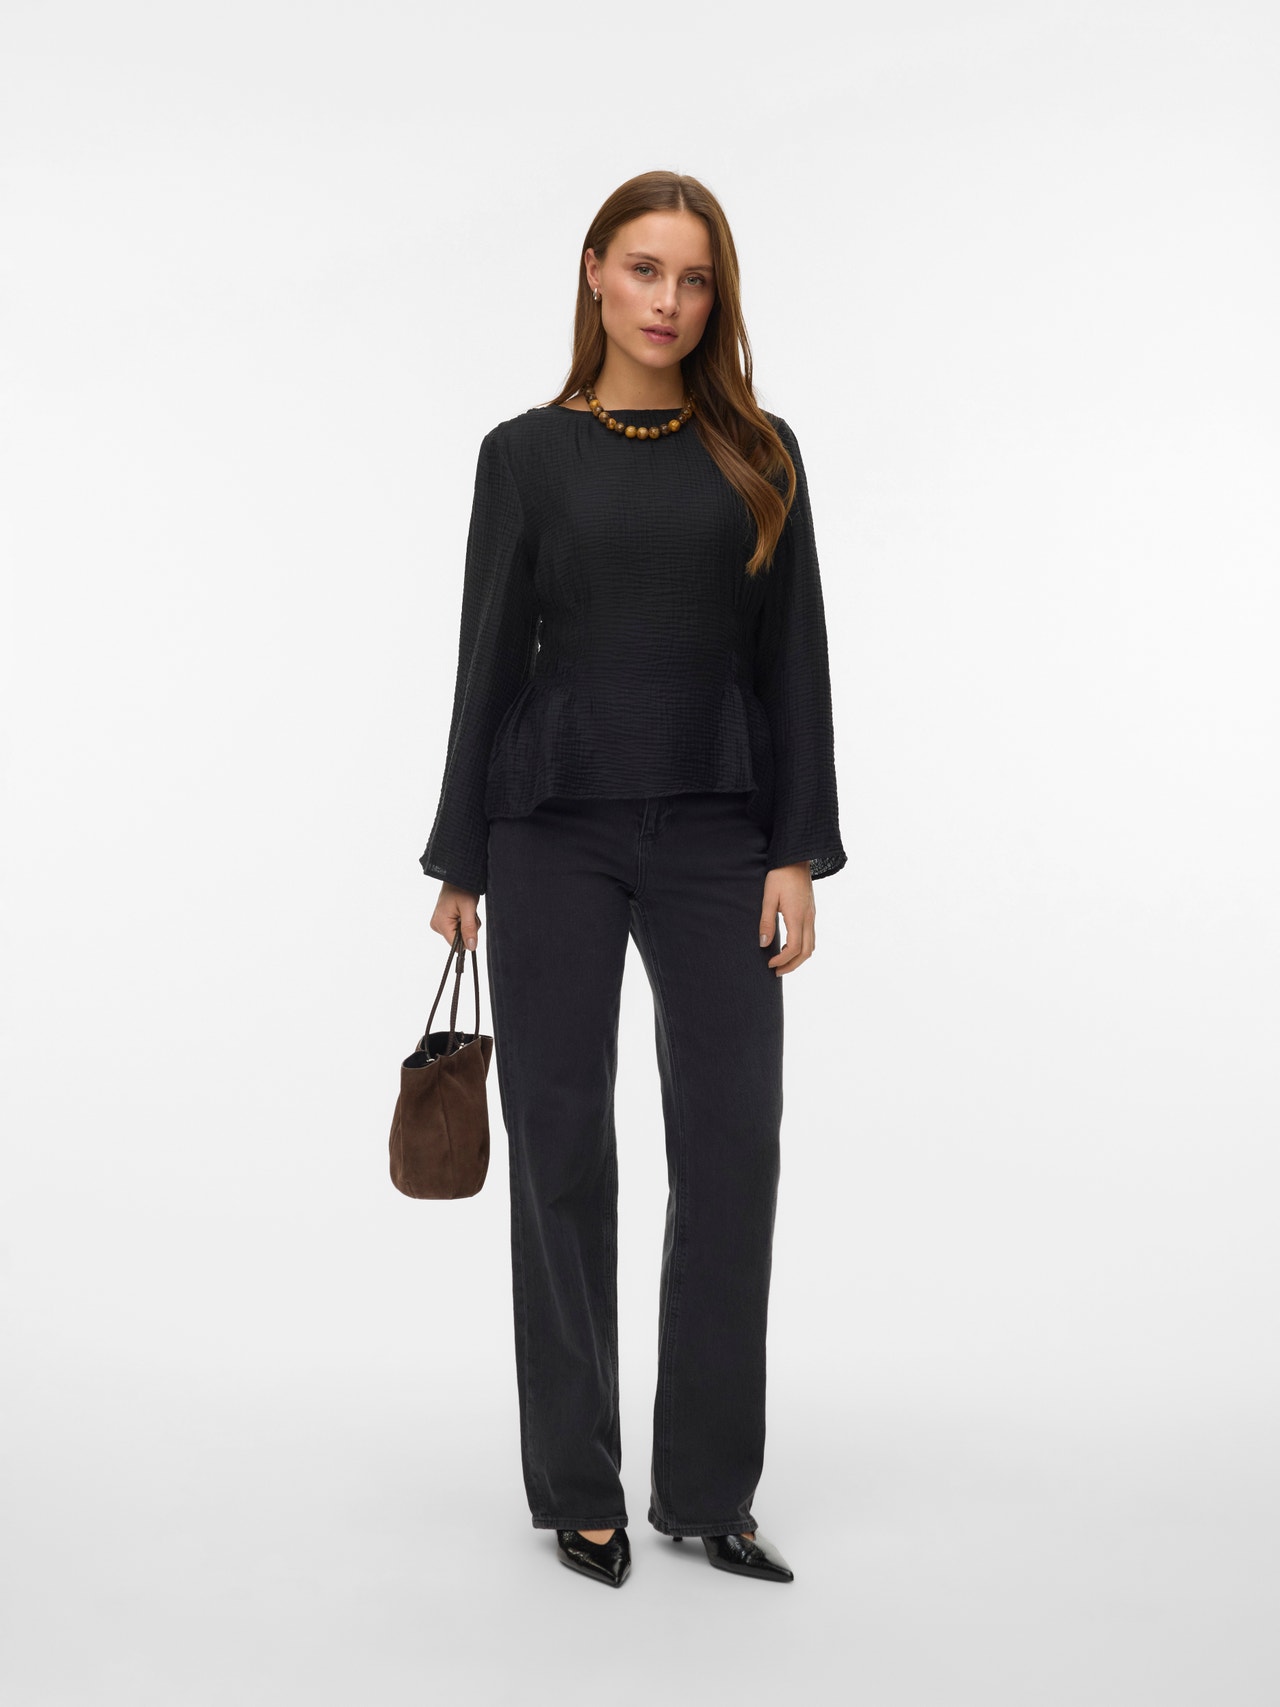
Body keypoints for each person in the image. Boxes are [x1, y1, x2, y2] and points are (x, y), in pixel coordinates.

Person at [418, 169, 846, 1588]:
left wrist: (795, 849)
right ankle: (578, 1488)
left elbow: (795, 662)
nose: (670, 301)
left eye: (696, 278)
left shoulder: (762, 453)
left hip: (721, 835)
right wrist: (460, 857)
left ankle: (710, 1491)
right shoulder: (525, 455)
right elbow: (487, 659)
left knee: (732, 1148)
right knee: (559, 1146)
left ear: (717, 298)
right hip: (550, 830)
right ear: (595, 270)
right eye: (647, 269)